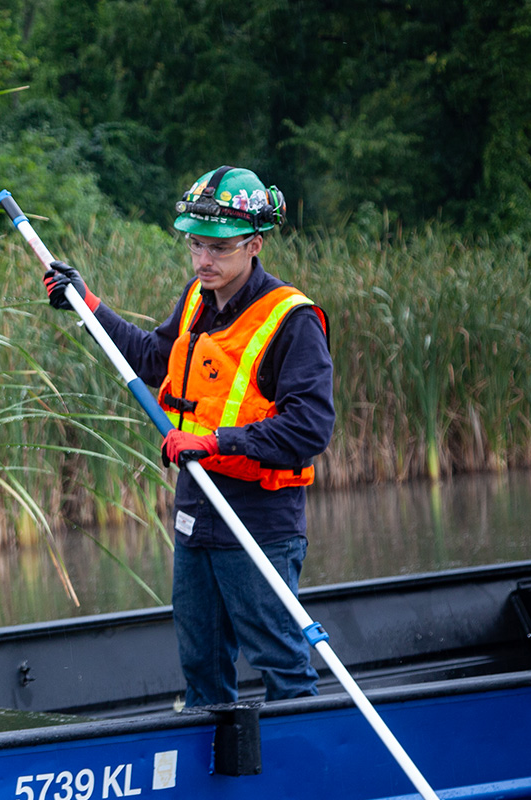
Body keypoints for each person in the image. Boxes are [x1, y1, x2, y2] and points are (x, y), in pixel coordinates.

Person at [42, 166, 335, 707]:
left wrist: (217, 443)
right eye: (196, 245)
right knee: (200, 663)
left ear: (254, 245)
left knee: (280, 663)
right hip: (196, 513)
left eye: (219, 249)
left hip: (259, 520)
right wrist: (90, 307)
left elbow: (310, 427)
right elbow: (155, 358)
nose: (204, 260)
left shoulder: (292, 319)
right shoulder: (199, 299)